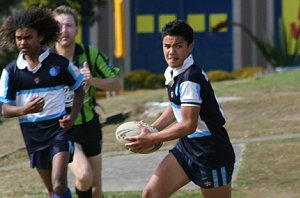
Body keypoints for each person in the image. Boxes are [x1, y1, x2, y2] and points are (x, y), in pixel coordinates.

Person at [125, 20, 236, 198]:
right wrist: (153, 128)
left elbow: (188, 125)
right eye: (167, 46)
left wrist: (152, 138)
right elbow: (175, 106)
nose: (171, 52)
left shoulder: (190, 79)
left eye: (178, 46)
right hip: (187, 147)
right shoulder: (172, 71)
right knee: (151, 194)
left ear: (190, 47)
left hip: (211, 152)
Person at [0, 7, 85, 198]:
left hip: (59, 131)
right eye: (19, 38)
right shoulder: (11, 72)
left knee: (58, 185)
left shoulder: (59, 64)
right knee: (52, 191)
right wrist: (24, 109)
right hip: (33, 135)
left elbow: (79, 90)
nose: (22, 42)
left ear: (40, 37)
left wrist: (72, 116)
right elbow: (5, 110)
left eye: (28, 37)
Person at [53, 5, 121, 198]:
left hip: (90, 125)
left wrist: (92, 81)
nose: (64, 30)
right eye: (59, 26)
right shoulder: (46, 59)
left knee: (96, 187)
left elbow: (117, 83)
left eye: (69, 25)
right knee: (84, 176)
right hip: (63, 129)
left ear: (77, 29)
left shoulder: (90, 55)